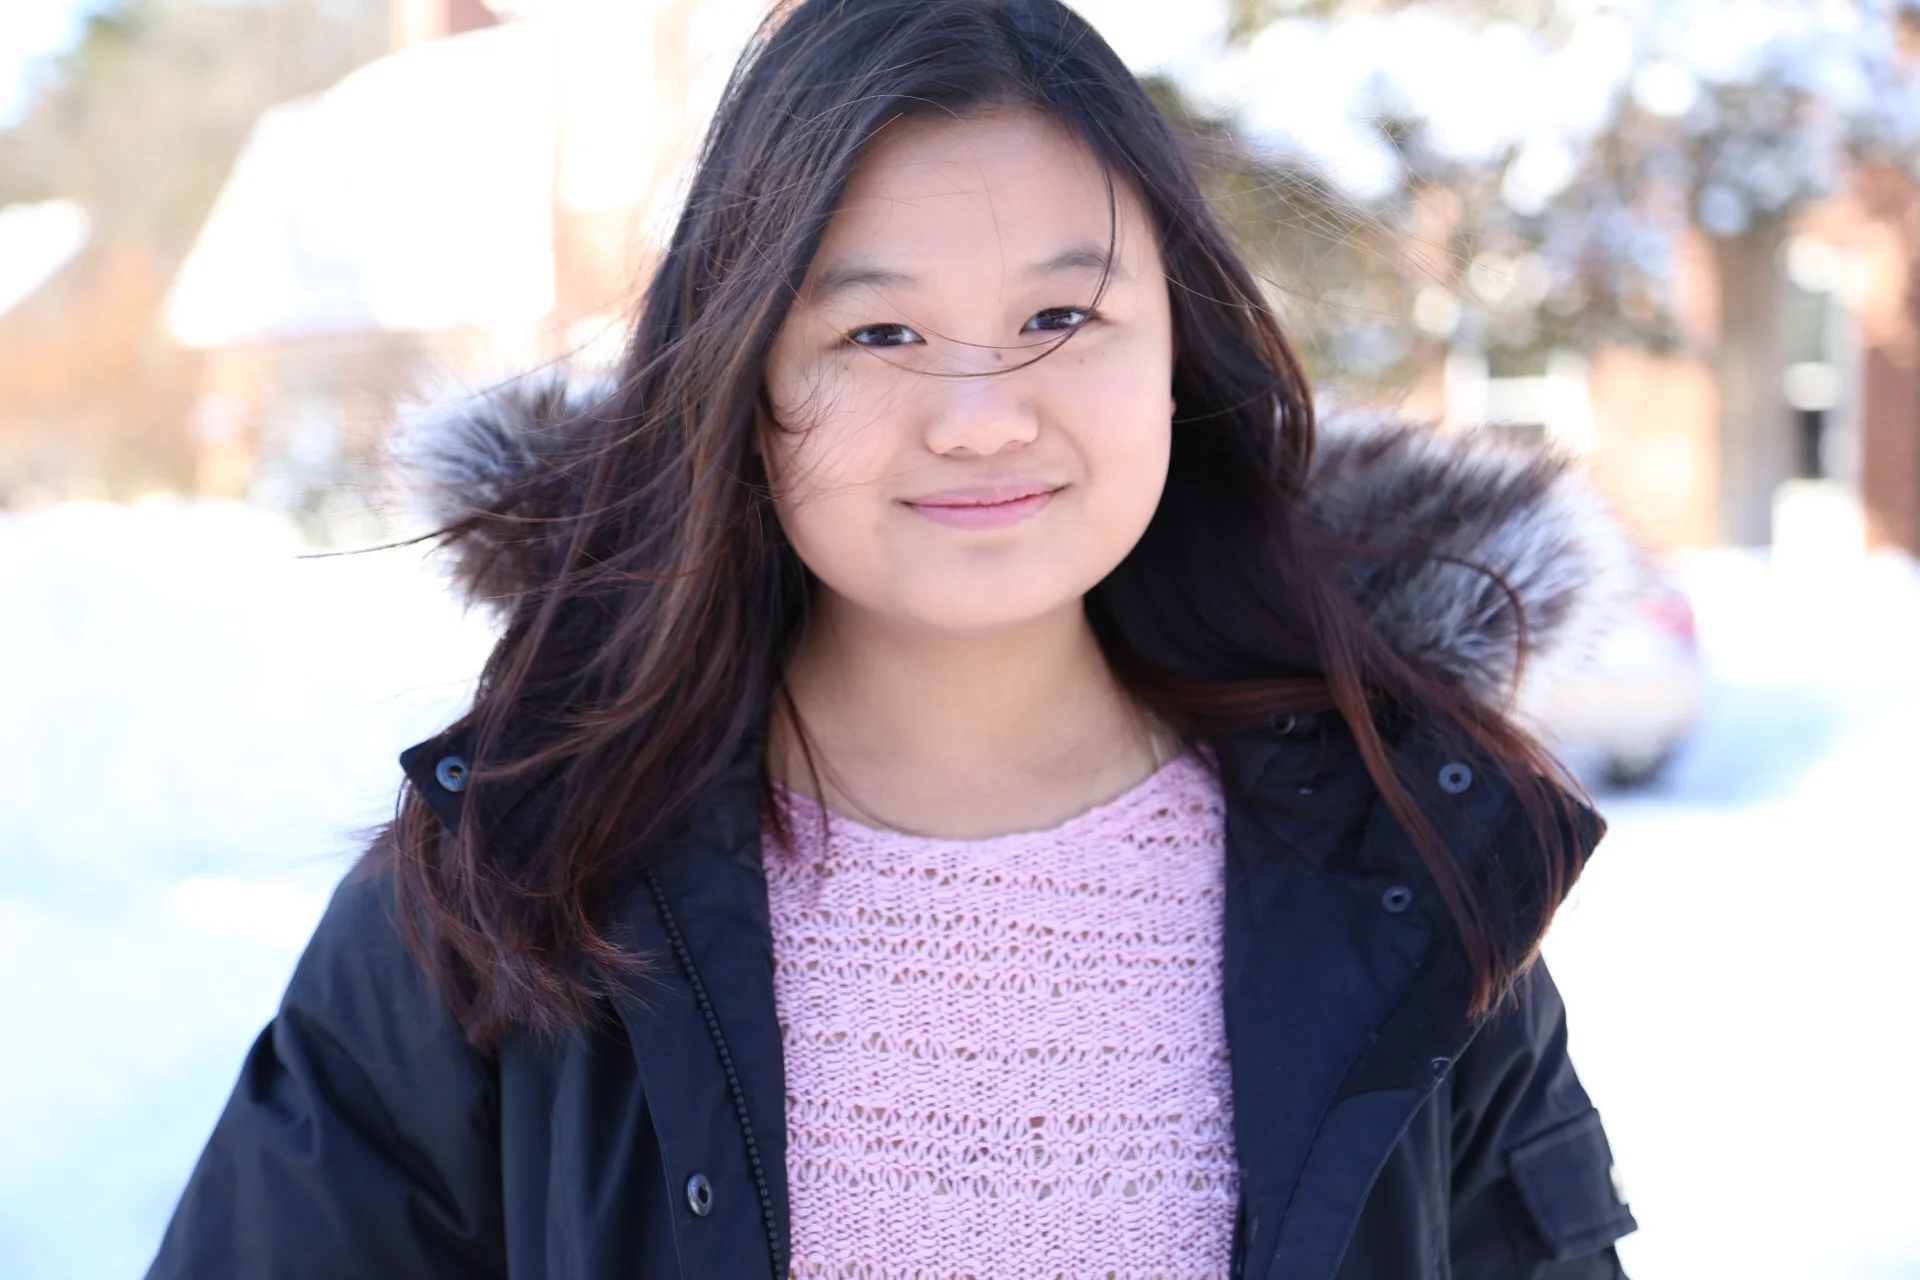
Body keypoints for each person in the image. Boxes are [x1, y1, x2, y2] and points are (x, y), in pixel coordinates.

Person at [147, 1, 1642, 1276]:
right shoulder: (512, 883)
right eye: (879, 334)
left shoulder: (1406, 874)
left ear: (1179, 350)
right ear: (738, 380)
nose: (984, 414)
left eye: (1065, 314)